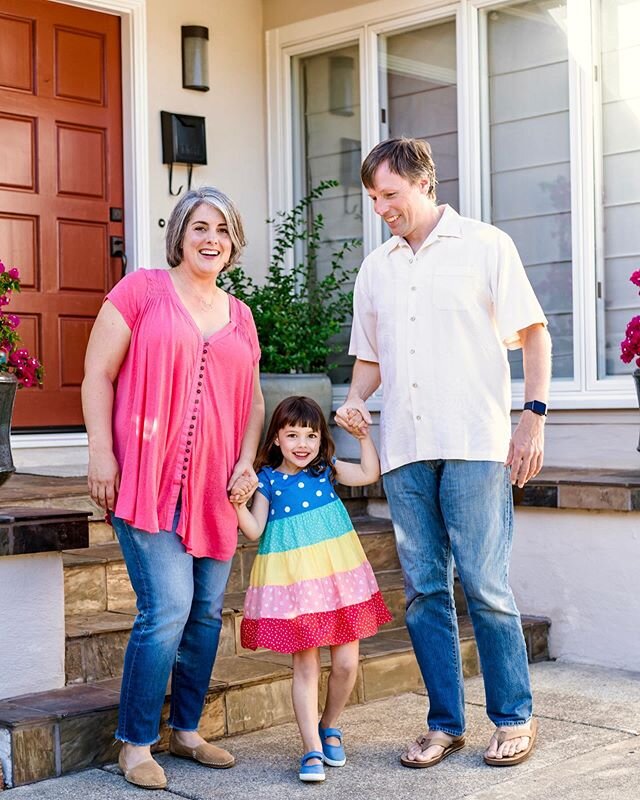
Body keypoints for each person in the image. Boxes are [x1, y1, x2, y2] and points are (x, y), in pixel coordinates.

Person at [336, 137, 552, 769]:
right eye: (373, 198)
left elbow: (533, 335)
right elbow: (370, 360)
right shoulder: (375, 269)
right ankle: (444, 724)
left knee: (485, 586)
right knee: (426, 592)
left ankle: (513, 717)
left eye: (390, 195)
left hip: (474, 444)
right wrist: (354, 399)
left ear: (423, 184)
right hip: (404, 449)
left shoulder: (487, 246)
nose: (381, 208)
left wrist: (532, 420)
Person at [81, 187, 264, 790]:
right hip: (145, 478)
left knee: (207, 613)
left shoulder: (240, 316)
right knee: (168, 609)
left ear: (233, 242)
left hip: (217, 487)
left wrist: (246, 463)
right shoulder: (140, 292)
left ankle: (185, 731)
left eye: (222, 230)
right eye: (199, 228)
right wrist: (102, 456)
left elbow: (253, 398)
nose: (210, 239)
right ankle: (135, 744)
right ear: (180, 236)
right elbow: (97, 375)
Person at [232, 396, 391, 783]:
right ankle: (311, 748)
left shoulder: (327, 470)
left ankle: (329, 724)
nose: (302, 444)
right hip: (296, 584)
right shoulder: (269, 480)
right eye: (292, 435)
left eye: (311, 435)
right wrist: (237, 503)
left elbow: (370, 473)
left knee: (347, 663)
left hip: (339, 579)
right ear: (275, 440)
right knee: (305, 665)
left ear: (321, 440)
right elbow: (254, 530)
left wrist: (364, 437)